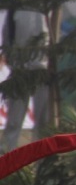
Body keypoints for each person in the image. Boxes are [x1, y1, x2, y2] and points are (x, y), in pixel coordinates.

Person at [1, 9, 49, 153]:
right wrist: (9, 57)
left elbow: (53, 35)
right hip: (20, 69)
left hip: (42, 69)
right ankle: (6, 156)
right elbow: (7, 35)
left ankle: (40, 156)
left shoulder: (47, 7)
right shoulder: (15, 9)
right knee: (14, 119)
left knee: (42, 120)